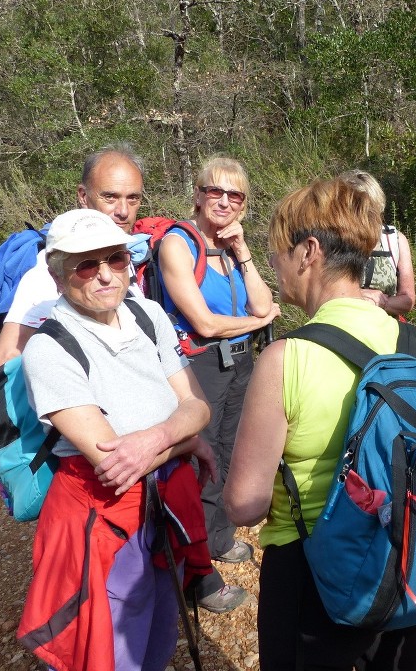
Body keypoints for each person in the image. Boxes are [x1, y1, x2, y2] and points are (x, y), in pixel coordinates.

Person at [223, 177, 416, 671]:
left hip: (311, 575)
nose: (274, 263)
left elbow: (243, 505)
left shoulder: (285, 358)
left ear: (309, 252)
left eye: (278, 250)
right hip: (398, 565)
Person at [16, 208, 215, 671]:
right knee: (106, 643)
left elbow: (199, 407)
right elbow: (113, 461)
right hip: (103, 516)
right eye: (86, 265)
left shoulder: (146, 314)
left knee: (159, 627)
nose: (105, 275)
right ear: (57, 274)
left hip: (165, 500)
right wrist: (185, 439)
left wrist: (159, 437)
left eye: (117, 259)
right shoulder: (48, 349)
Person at [154, 155, 280, 613]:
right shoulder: (177, 244)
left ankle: (218, 534)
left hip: (239, 363)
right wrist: (256, 320)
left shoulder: (229, 247)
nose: (224, 201)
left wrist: (243, 252)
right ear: (198, 194)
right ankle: (194, 568)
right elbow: (204, 323)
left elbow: (264, 300)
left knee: (228, 451)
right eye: (215, 191)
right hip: (199, 366)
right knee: (195, 461)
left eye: (236, 195)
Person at [0, 145, 146, 367]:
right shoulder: (55, 269)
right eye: (110, 197)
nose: (123, 211)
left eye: (133, 198)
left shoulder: (121, 256)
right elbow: (6, 357)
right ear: (83, 196)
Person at [340, 170, 416, 317]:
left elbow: (408, 300)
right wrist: (360, 296)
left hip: (385, 331)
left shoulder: (395, 240)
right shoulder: (332, 239)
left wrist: (380, 302)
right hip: (342, 330)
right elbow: (319, 292)